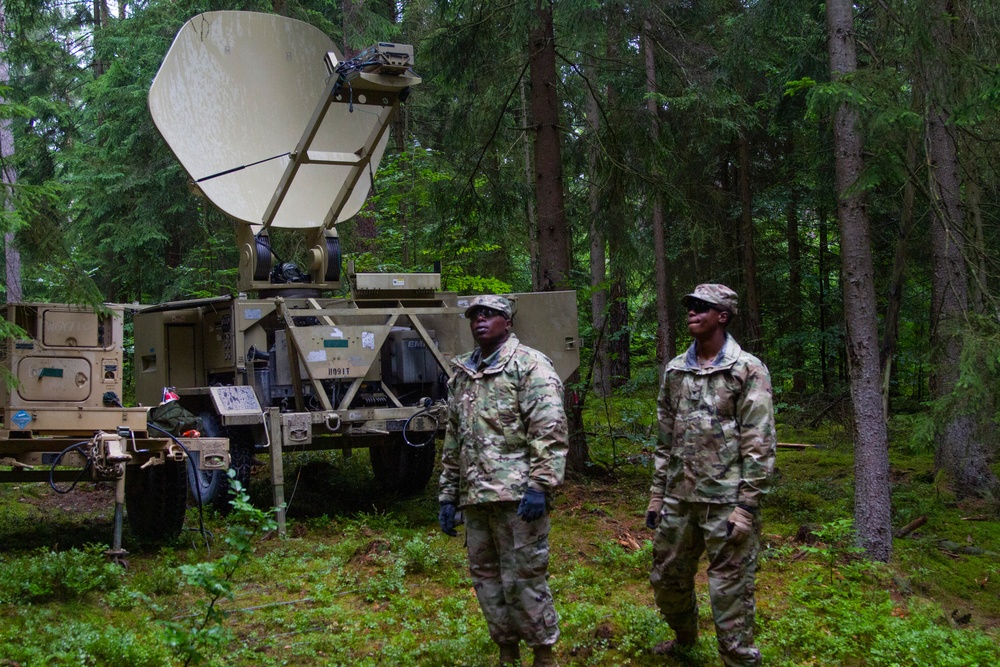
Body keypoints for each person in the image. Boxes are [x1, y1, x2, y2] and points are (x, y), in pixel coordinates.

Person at [645, 284, 776, 667]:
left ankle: (737, 659)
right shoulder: (675, 371)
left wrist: (747, 507)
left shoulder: (747, 369)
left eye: (702, 307)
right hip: (679, 500)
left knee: (729, 593)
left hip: (727, 503)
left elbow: (760, 442)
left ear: (723, 315)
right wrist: (657, 494)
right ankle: (685, 637)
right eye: (689, 306)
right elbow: (664, 439)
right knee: (666, 580)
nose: (692, 312)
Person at [438, 294, 568, 667]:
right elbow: (454, 438)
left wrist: (540, 485)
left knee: (525, 579)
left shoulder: (529, 366)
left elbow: (550, 430)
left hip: (519, 497)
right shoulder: (462, 373)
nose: (480, 320)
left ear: (507, 322)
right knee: (487, 581)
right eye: (475, 315)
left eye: (490, 314)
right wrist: (448, 495)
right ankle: (506, 651)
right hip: (476, 498)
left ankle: (544, 655)